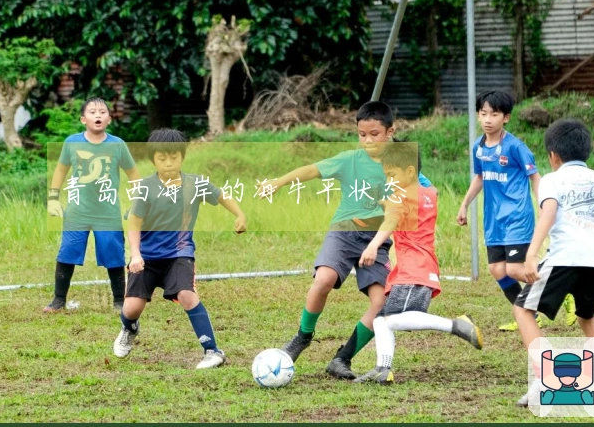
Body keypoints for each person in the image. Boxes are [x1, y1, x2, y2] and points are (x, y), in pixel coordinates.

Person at [261, 101, 433, 380]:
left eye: (374, 134)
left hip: (377, 239)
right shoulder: (349, 160)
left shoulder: (400, 163)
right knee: (323, 279)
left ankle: (342, 358)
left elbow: (423, 188)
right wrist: (277, 183)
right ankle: (302, 337)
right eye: (362, 134)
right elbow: (311, 171)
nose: (367, 140)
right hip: (344, 232)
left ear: (391, 132)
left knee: (380, 303)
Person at [349, 143, 483, 385]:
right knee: (380, 318)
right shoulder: (427, 192)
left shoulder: (400, 196)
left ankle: (456, 325)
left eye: (392, 175)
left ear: (410, 172)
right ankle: (383, 368)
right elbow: (419, 198)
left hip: (415, 268)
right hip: (415, 267)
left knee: (394, 319)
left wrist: (373, 245)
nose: (389, 180)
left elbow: (390, 220)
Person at [113, 128, 247, 369]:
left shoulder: (195, 184)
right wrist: (135, 254)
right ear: (153, 160)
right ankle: (129, 327)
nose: (168, 163)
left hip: (179, 253)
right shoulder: (145, 188)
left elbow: (221, 195)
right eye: (162, 158)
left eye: (173, 157)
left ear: (182, 157)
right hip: (145, 257)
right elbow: (133, 223)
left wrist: (239, 214)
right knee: (132, 308)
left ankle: (212, 351)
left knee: (187, 295)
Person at [513, 119, 594, 406]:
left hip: (565, 257)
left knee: (522, 310)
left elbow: (548, 213)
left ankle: (548, 380)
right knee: (587, 317)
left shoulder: (552, 180)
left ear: (553, 156)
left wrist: (531, 254)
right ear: (587, 152)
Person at [456, 90, 575, 331]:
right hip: (493, 220)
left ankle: (566, 290)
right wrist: (464, 204)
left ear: (506, 118)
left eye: (494, 114)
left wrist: (544, 204)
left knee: (513, 268)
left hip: (517, 217)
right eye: (483, 113)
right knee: (497, 269)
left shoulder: (515, 147)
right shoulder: (478, 147)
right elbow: (479, 176)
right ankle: (530, 314)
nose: (488, 119)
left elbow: (535, 176)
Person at [45, 98, 140, 313]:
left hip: (107, 212)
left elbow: (133, 173)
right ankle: (58, 300)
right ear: (83, 119)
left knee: (113, 252)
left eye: (102, 112)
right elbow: (60, 170)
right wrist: (53, 198)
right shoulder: (72, 142)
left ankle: (119, 300)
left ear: (109, 118)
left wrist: (137, 200)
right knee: (68, 251)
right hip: (78, 210)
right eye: (92, 112)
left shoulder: (117, 144)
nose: (98, 115)